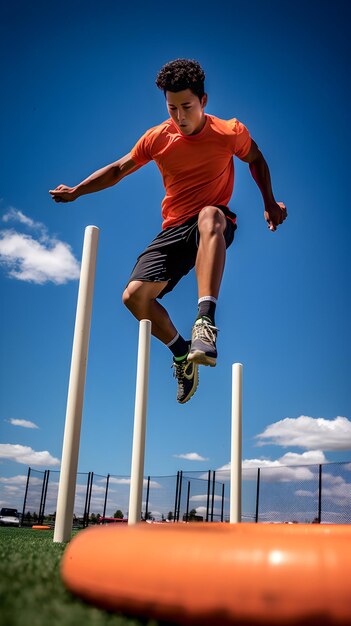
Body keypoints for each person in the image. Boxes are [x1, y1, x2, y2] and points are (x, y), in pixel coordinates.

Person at [50, 58, 287, 405]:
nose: (179, 117)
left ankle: (205, 322)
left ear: (203, 102)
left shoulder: (229, 131)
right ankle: (182, 353)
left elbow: (256, 158)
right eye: (172, 108)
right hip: (174, 228)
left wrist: (269, 201)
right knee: (134, 297)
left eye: (187, 107)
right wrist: (76, 190)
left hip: (212, 223)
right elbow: (118, 169)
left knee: (210, 215)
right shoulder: (157, 139)